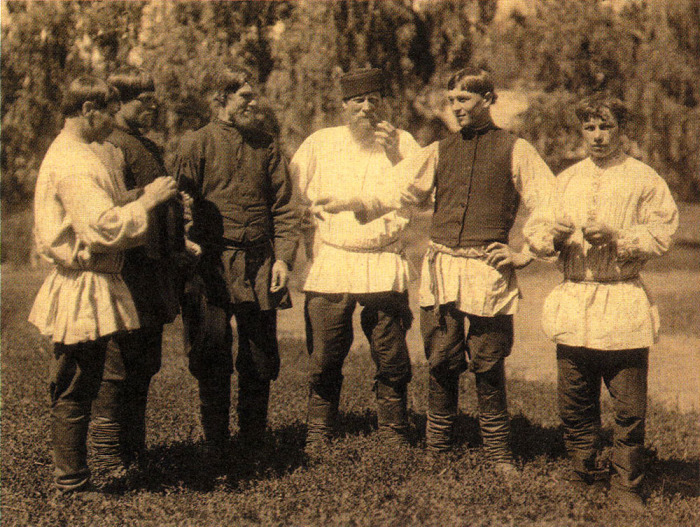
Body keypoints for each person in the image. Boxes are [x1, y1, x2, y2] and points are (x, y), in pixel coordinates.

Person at [317, 66, 555, 475]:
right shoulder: (440, 149)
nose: (456, 108)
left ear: (488, 99)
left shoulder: (516, 148)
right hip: (442, 268)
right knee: (441, 359)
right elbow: (397, 188)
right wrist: (352, 202)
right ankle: (437, 446)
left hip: (487, 272)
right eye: (452, 101)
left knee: (488, 360)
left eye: (464, 100)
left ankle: (498, 453)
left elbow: (549, 203)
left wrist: (526, 251)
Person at [28, 75, 178, 494]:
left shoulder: (76, 152)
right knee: (75, 382)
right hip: (83, 281)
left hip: (90, 277)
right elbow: (100, 229)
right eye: (108, 111)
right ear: (88, 111)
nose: (113, 120)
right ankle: (72, 482)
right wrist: (147, 201)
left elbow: (101, 217)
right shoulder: (75, 159)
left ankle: (75, 475)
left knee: (82, 379)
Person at [535, 94, 678, 510]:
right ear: (582, 132)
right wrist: (555, 237)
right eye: (590, 128)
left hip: (621, 299)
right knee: (575, 399)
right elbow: (538, 232)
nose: (597, 137)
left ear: (622, 130)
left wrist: (617, 236)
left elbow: (662, 235)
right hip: (575, 297)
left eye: (606, 127)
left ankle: (626, 486)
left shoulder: (644, 179)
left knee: (629, 405)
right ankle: (583, 474)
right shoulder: (567, 179)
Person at [290, 68, 422, 451]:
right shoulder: (320, 143)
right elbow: (290, 194)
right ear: (344, 105)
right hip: (333, 259)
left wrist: (397, 153)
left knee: (391, 351)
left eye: (374, 100)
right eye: (358, 101)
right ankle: (319, 429)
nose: (366, 108)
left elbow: (422, 195)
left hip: (382, 258)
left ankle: (394, 429)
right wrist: (301, 219)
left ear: (384, 103)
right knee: (326, 352)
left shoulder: (404, 142)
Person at [173, 69, 299, 464]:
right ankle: (215, 443)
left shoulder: (267, 146)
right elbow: (176, 199)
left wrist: (284, 258)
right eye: (243, 96)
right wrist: (186, 238)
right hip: (210, 263)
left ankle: (253, 441)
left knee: (260, 354)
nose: (252, 102)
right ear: (220, 100)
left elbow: (285, 209)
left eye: (253, 95)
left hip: (260, 263)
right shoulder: (197, 143)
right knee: (211, 350)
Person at [89, 69, 191, 477]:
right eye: (141, 102)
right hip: (126, 271)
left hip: (152, 272)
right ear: (117, 104)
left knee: (143, 364)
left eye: (152, 100)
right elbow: (107, 207)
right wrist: (152, 196)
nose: (150, 108)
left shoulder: (145, 144)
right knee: (116, 367)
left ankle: (133, 454)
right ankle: (106, 458)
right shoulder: (108, 146)